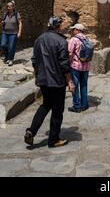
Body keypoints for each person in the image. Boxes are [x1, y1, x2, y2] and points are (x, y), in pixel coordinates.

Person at [24, 16, 74, 148]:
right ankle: (54, 139)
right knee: (57, 110)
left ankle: (31, 131)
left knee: (45, 105)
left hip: (43, 79)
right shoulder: (61, 41)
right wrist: (70, 81)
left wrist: (37, 77)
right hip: (57, 81)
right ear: (57, 26)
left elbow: (34, 61)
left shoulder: (38, 40)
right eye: (61, 24)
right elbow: (64, 64)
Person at [68, 24, 91, 113]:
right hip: (86, 66)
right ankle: (84, 105)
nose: (72, 31)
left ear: (77, 30)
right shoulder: (87, 39)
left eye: (73, 29)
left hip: (75, 66)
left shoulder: (73, 40)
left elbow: (69, 53)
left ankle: (76, 106)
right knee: (84, 85)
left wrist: (68, 64)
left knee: (75, 86)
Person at [1, 1, 22, 66]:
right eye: (7, 6)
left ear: (13, 7)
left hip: (13, 33)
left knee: (11, 47)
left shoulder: (16, 14)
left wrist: (19, 32)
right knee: (3, 45)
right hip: (5, 32)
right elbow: (3, 22)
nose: (8, 8)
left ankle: (10, 59)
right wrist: (2, 23)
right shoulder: (5, 14)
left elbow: (20, 23)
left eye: (10, 6)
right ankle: (7, 56)